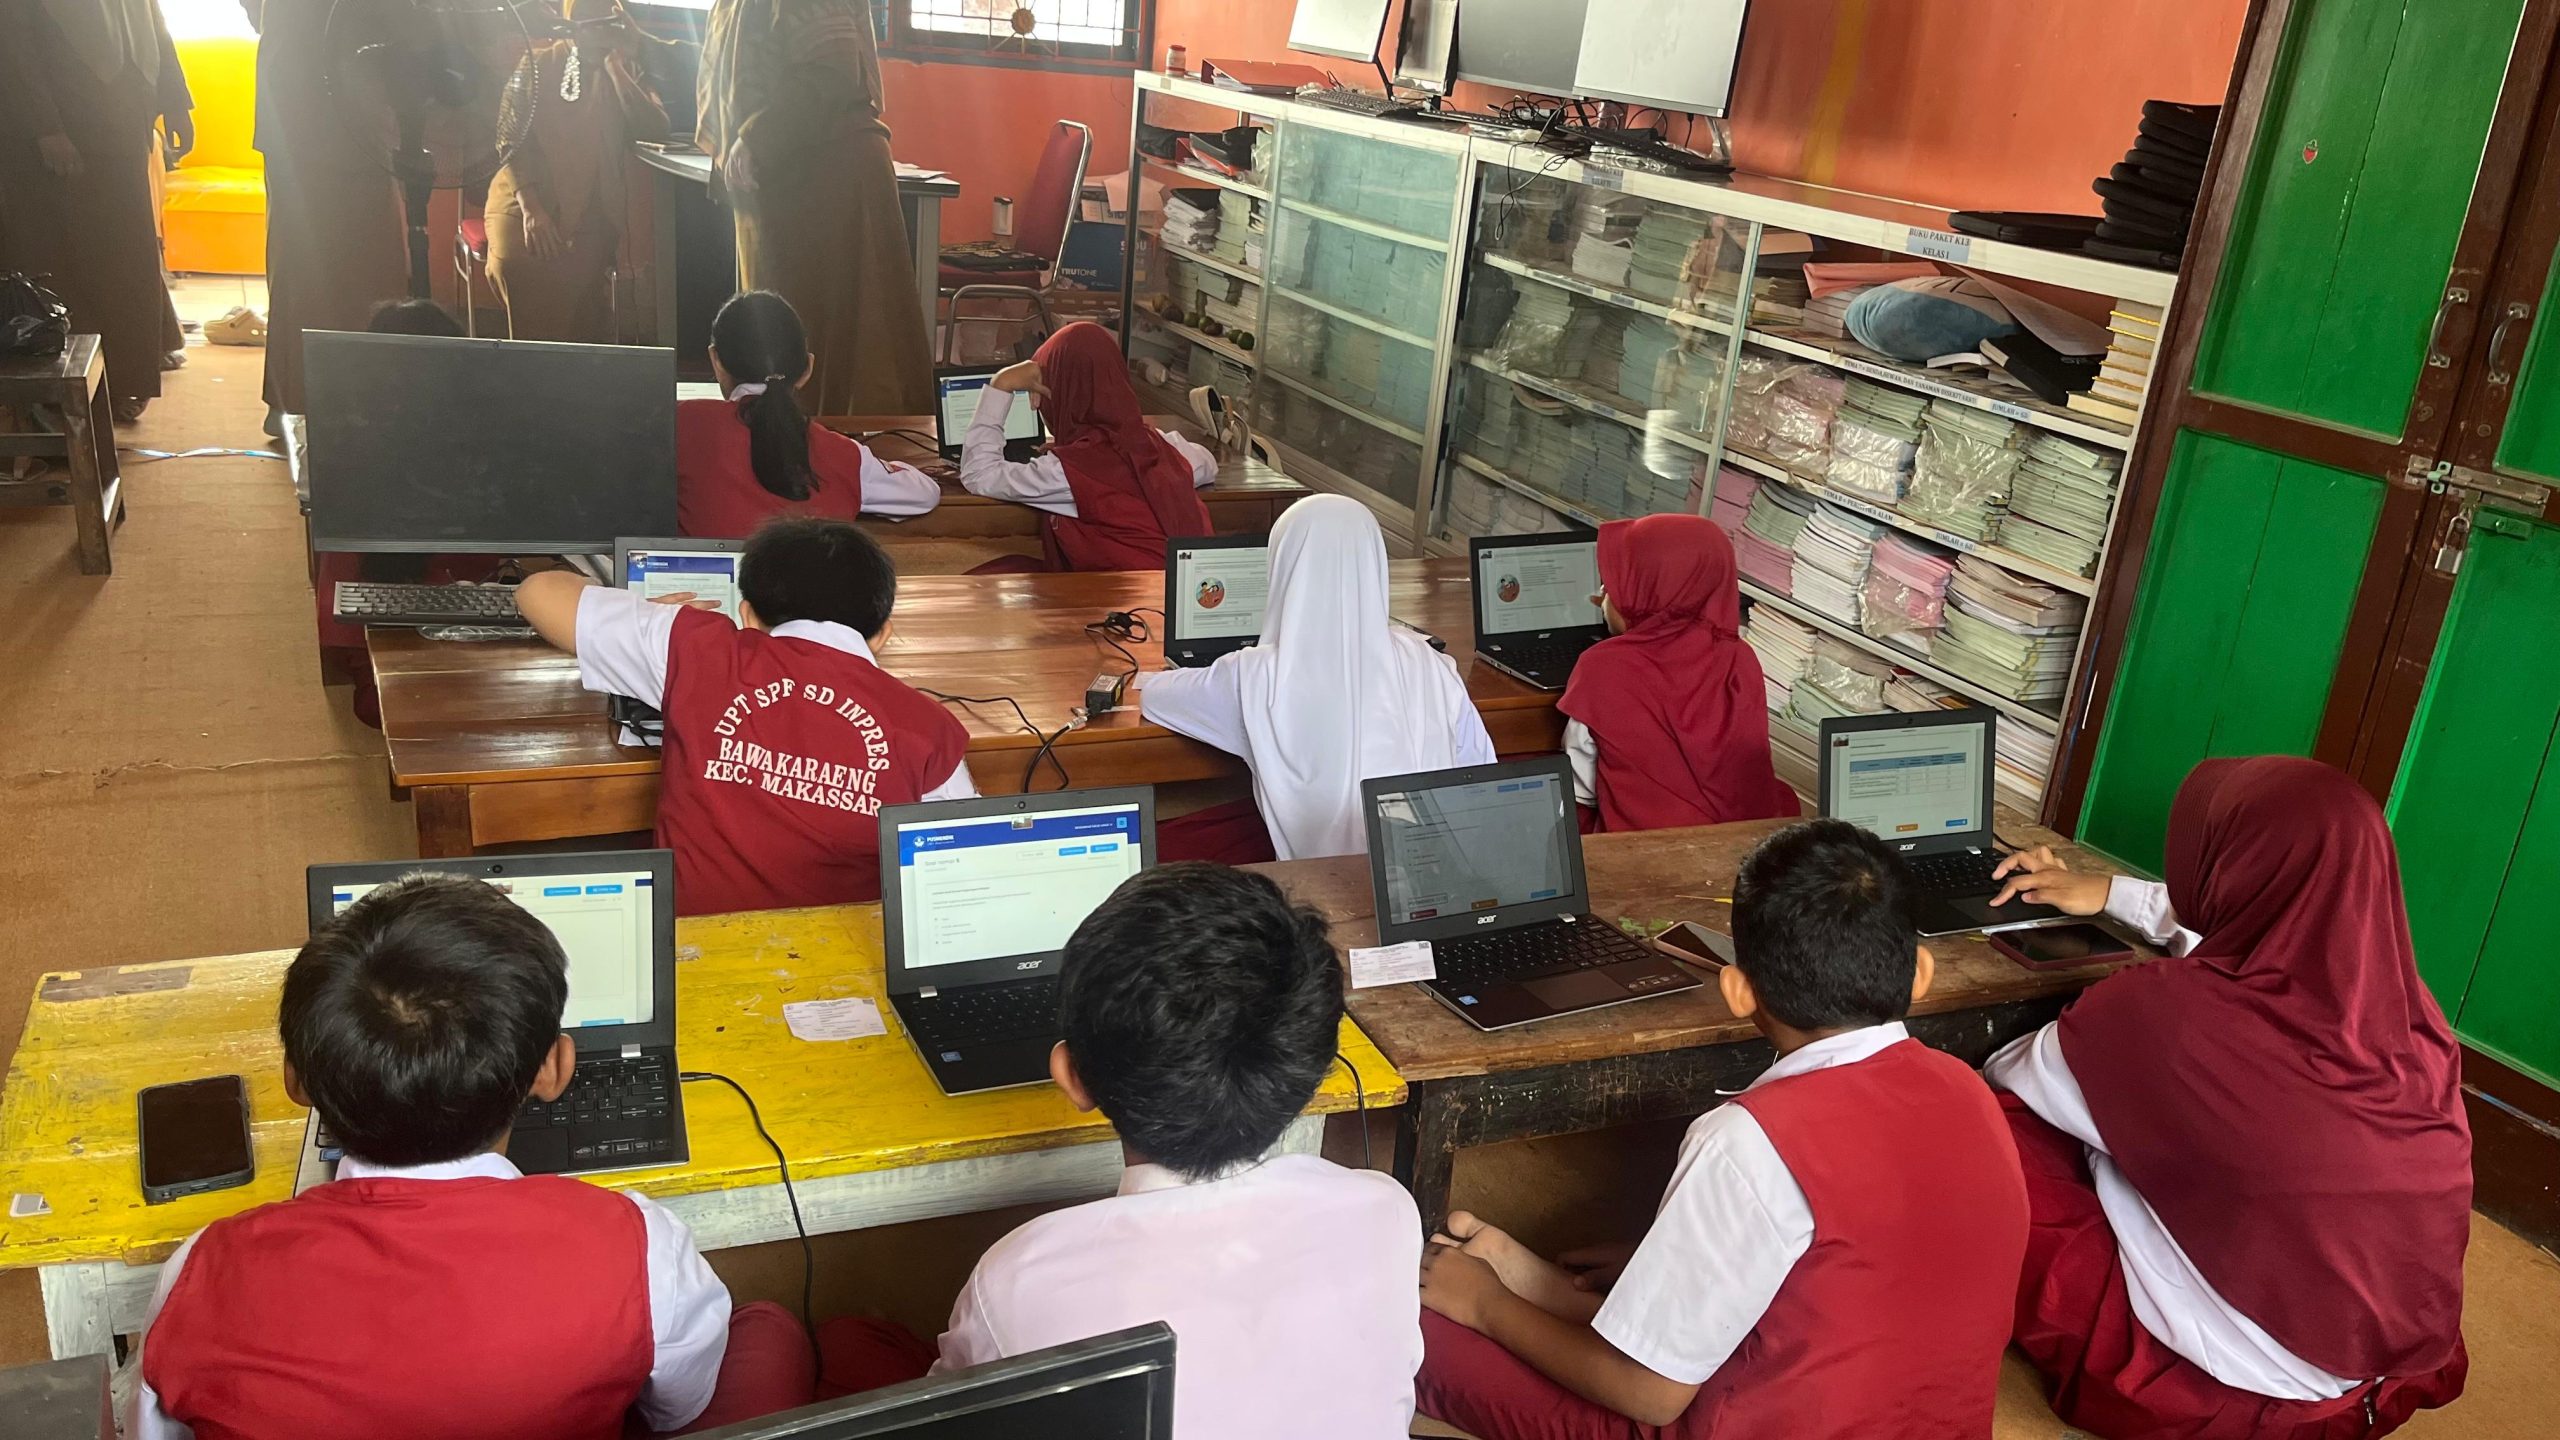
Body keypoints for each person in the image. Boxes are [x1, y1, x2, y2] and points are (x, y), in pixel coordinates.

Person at [132, 873, 815, 1439]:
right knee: (770, 1330)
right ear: (554, 1068)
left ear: (296, 1081)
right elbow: (679, 1409)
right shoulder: (638, 1245)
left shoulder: (201, 1274)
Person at [1415, 820, 2028, 1440]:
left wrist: (1486, 1305)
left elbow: (1649, 1397)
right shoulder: (1969, 1090)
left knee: (1420, 1333)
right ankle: (1552, 1286)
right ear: (1921, 972)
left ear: (1736, 991)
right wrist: (1665, 1259)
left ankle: (1505, 1293)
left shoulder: (1748, 1140)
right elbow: (1857, 1274)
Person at [817, 863, 1425, 1437]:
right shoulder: (1385, 1211)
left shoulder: (1018, 1279)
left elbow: (957, 1414)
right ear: (1311, 1072)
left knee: (843, 1344)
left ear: (1071, 1078)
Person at [1984, 756, 2472, 1438]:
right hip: (2382, 1366)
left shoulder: (2170, 1016)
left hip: (2231, 1393)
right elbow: (2267, 938)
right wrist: (2111, 895)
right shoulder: (2407, 1012)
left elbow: (2014, 1072)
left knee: (1985, 1135)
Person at [515, 517, 972, 915]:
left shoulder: (696, 647)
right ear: (881, 636)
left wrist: (649, 615)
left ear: (747, 615)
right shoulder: (931, 728)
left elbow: (538, 591)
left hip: (694, 951)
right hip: (849, 963)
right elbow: (959, 866)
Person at [1138, 494, 1495, 861]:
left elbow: (1155, 698)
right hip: (1435, 874)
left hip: (1323, 884)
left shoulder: (1255, 675)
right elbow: (1479, 769)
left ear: (1280, 568)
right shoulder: (1430, 662)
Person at [697, 0, 930, 414]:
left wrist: (755, 135)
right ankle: (777, 437)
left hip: (828, 175)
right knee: (774, 330)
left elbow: (832, 68)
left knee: (837, 346)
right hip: (782, 179)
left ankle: (831, 448)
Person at [0, 0, 194, 420]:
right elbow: (14, 43)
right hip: (56, 136)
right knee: (63, 266)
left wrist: (175, 100)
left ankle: (125, 381)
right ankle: (65, 395)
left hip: (122, 122)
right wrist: (47, 128)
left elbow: (151, 17)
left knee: (127, 258)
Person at [1556, 514, 1799, 832]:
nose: (1603, 593)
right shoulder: (1740, 657)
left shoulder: (1603, 668)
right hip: (1740, 842)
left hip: (1638, 849)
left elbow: (1580, 787)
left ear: (1649, 592)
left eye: (1617, 583)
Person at [250, 0, 410, 432]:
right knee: (302, 269)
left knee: (375, 265)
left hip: (365, 113)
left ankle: (370, 395)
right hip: (300, 119)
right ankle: (294, 398)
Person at [679, 290, 940, 537]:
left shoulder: (678, 423)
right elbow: (925, 494)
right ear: (807, 369)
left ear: (716, 360)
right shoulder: (845, 455)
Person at [960, 322, 1218, 571]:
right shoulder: (1162, 445)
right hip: (1192, 585)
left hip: (1134, 593)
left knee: (993, 578)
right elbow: (1208, 463)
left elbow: (979, 475)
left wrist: (1001, 384)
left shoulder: (1068, 472)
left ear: (1063, 393)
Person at [484, 0, 667, 342]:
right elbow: (509, 139)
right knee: (516, 265)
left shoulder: (627, 67)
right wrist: (532, 210)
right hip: (524, 197)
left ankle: (571, 368)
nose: (594, 27)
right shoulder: (537, 63)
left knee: (578, 280)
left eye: (603, 18)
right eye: (585, 17)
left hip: (590, 210)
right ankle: (529, 365)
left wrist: (615, 68)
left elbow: (655, 128)